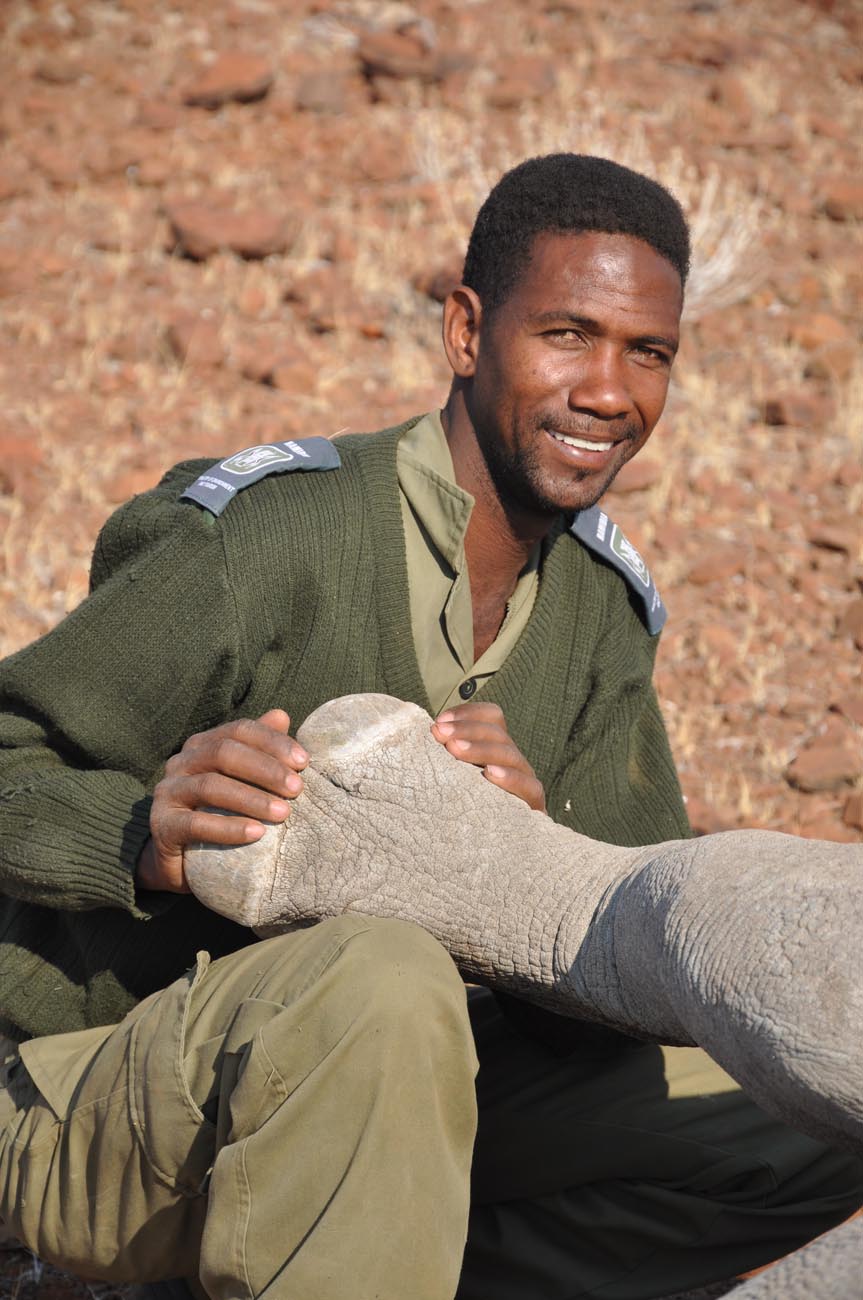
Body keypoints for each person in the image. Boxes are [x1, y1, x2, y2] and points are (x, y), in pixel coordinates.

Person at [0, 154, 859, 1300]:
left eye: (646, 352)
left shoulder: (600, 610)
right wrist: (143, 836)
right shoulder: (265, 541)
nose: (609, 390)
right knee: (386, 978)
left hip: (406, 1098)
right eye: (566, 335)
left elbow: (632, 968)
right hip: (95, 1101)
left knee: (798, 1096)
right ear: (465, 330)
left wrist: (533, 854)